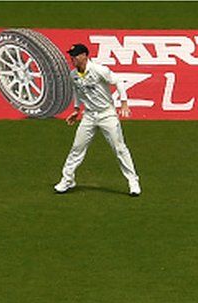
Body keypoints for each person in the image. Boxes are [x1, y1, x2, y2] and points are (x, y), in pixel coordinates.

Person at [54, 43, 140, 197]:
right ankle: (67, 180)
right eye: (71, 55)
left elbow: (118, 81)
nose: (72, 58)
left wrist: (124, 102)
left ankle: (133, 182)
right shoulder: (73, 75)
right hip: (89, 116)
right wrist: (76, 109)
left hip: (107, 115)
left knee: (119, 148)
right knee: (77, 148)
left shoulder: (100, 70)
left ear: (85, 56)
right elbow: (77, 92)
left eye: (75, 55)